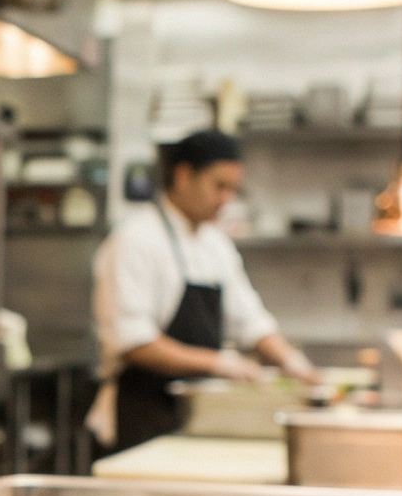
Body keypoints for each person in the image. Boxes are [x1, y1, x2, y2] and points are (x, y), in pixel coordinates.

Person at [92, 130, 320, 448]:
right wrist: (220, 364)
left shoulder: (216, 244)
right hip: (143, 412)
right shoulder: (135, 239)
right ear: (184, 176)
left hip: (198, 416)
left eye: (233, 189)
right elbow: (133, 341)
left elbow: (250, 321)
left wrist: (292, 362)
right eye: (219, 186)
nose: (227, 198)